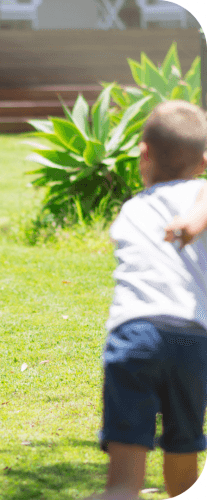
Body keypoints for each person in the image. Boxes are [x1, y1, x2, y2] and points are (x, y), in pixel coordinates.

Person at [96, 100, 207, 500]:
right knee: (184, 476)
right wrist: (194, 221)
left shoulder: (130, 210)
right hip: (191, 340)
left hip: (134, 335)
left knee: (124, 485)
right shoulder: (200, 193)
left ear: (143, 154)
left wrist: (193, 222)